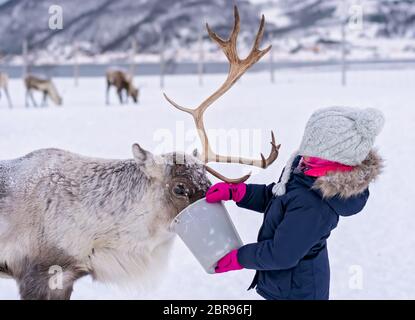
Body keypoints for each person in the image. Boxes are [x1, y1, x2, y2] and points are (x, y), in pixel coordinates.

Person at [206, 106, 385, 300]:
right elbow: (279, 198)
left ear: (332, 156)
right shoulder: (307, 170)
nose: (304, 153)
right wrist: (239, 193)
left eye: (313, 148)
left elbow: (281, 254)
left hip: (298, 292)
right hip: (285, 285)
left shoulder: (316, 206)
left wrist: (239, 258)